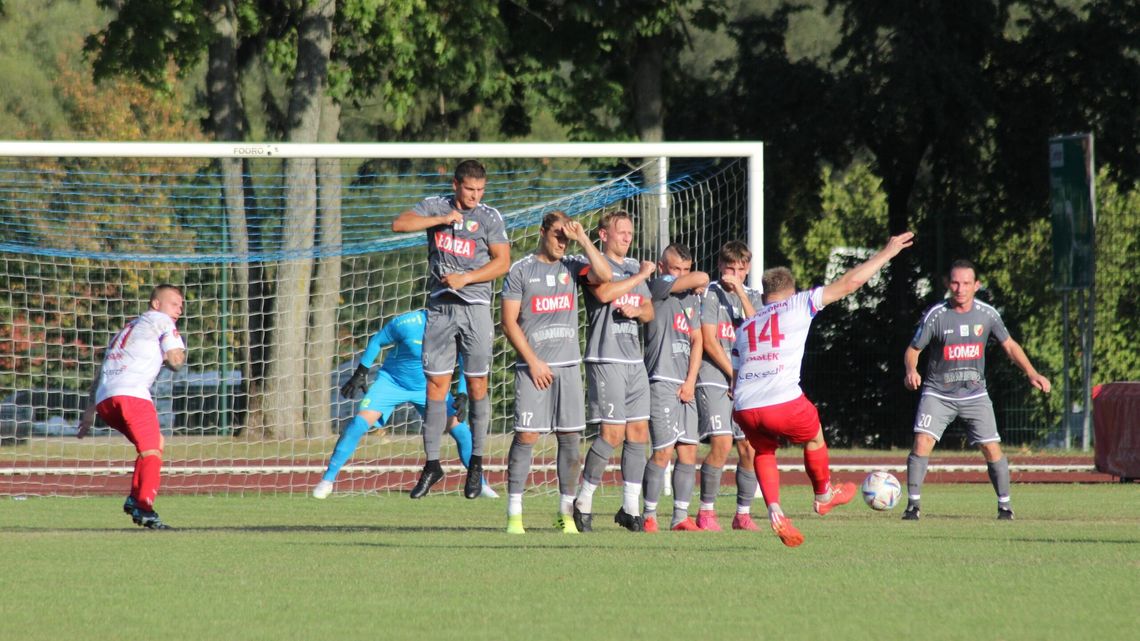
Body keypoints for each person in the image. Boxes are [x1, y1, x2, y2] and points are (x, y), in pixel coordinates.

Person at [731, 232, 914, 547]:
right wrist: (887, 253)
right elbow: (849, 283)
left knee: (763, 450)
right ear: (792, 291)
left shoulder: (745, 326)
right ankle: (823, 496)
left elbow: (736, 374)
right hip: (781, 401)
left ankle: (774, 510)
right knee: (814, 436)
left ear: (763, 296)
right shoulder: (798, 304)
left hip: (745, 405)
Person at [391, 160, 510, 500]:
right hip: (441, 309)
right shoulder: (436, 206)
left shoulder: (489, 217)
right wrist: (440, 220)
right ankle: (432, 464)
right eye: (470, 189)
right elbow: (399, 224)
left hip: (474, 309)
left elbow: (502, 262)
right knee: (436, 386)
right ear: (456, 185)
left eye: (480, 190)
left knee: (476, 384)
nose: (475, 196)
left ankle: (476, 464)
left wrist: (467, 278)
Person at [901, 259, 1051, 521]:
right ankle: (913, 505)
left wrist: (1032, 372)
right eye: (955, 283)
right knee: (922, 442)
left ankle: (1005, 506)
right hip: (938, 393)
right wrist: (911, 370)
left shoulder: (988, 314)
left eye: (966, 283)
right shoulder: (936, 315)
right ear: (948, 284)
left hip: (975, 394)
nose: (960, 288)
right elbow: (913, 350)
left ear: (976, 285)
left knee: (992, 448)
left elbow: (1010, 345)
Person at [500, 211, 612, 534]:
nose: (562, 242)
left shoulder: (573, 264)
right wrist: (533, 361)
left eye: (567, 237)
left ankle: (565, 513)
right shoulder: (521, 270)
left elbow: (605, 277)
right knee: (526, 436)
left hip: (567, 368)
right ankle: (514, 514)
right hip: (532, 367)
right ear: (542, 232)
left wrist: (584, 239)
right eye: (557, 236)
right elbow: (509, 322)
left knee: (571, 440)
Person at [313, 309, 497, 500]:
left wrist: (462, 394)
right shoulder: (408, 323)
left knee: (461, 430)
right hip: (392, 383)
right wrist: (361, 372)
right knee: (359, 423)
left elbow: (465, 360)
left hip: (431, 387)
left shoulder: (456, 329)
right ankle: (327, 480)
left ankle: (481, 484)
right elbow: (377, 341)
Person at [572, 210, 656, 533]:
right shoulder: (593, 264)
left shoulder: (635, 266)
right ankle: (584, 500)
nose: (627, 237)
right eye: (621, 232)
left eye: (630, 232)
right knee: (611, 434)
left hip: (634, 361)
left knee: (638, 434)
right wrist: (640, 277)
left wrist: (638, 310)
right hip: (605, 358)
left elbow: (649, 310)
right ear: (604, 235)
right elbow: (605, 292)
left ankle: (630, 508)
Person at [77, 284, 187, 530]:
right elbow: (176, 361)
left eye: (181, 305)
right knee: (151, 450)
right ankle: (145, 507)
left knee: (155, 442)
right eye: (174, 303)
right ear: (156, 304)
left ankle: (134, 498)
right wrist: (179, 354)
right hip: (132, 395)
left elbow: (100, 373)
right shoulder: (162, 321)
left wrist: (89, 411)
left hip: (107, 400)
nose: (179, 309)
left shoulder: (126, 329)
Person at [695, 241, 763, 531]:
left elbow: (759, 329)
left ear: (746, 270)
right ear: (720, 266)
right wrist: (732, 376)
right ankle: (706, 511)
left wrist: (741, 295)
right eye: (729, 268)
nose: (733, 274)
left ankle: (742, 514)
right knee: (722, 443)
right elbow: (710, 341)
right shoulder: (710, 293)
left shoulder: (754, 298)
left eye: (740, 269)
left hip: (744, 381)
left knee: (749, 448)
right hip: (714, 375)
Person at [641, 243, 709, 532]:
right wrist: (691, 279)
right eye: (675, 269)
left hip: (686, 383)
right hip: (660, 379)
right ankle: (648, 515)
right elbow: (703, 277)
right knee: (663, 451)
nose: (681, 274)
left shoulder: (692, 302)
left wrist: (691, 380)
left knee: (689, 452)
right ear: (661, 267)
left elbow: (697, 341)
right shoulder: (657, 287)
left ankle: (680, 516)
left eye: (685, 269)